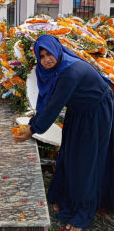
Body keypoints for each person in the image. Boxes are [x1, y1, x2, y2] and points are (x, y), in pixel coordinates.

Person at [13, 34, 114, 231]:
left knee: (86, 161)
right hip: (79, 111)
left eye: (49, 54)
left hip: (96, 112)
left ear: (57, 50)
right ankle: (65, 196)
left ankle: (82, 210)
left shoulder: (69, 73)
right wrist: (34, 123)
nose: (46, 60)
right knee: (69, 154)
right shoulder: (59, 68)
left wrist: (32, 129)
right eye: (41, 56)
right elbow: (49, 100)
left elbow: (53, 106)